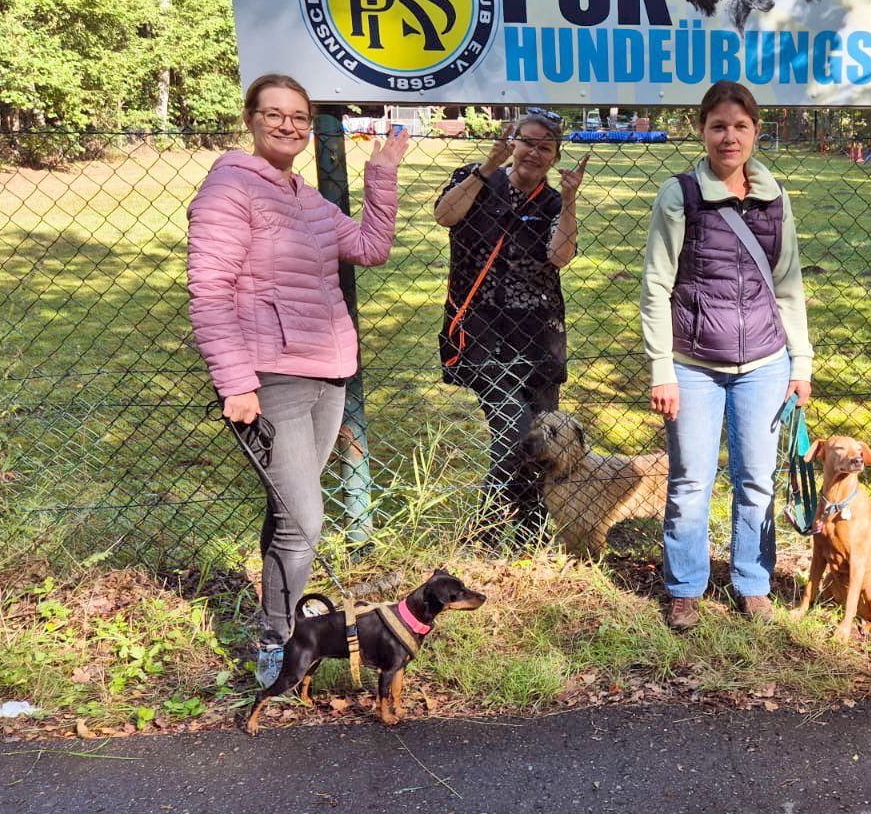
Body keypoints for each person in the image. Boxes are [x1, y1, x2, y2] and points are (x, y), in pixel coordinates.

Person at [187, 73, 408, 686]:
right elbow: (209, 290)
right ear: (250, 119)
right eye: (274, 114)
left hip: (327, 375)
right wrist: (236, 382)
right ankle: (277, 643)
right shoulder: (230, 188)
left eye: (299, 117)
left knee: (289, 515)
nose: (288, 125)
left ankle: (280, 628)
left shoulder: (305, 199)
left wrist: (382, 173)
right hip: (269, 377)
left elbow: (370, 247)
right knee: (305, 519)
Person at [640, 80, 813, 630]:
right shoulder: (679, 195)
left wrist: (801, 363)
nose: (729, 137)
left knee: (756, 479)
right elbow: (655, 285)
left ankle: (753, 583)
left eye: (740, 126)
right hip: (693, 365)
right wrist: (661, 369)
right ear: (702, 131)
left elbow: (789, 286)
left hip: (765, 363)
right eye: (718, 126)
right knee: (691, 482)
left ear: (756, 132)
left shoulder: (776, 198)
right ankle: (685, 587)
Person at [433, 108, 586, 542]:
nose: (533, 153)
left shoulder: (553, 202)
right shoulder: (476, 178)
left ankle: (530, 532)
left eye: (545, 147)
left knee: (542, 439)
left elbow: (560, 256)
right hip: (482, 330)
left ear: (555, 157)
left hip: (539, 334)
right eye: (527, 142)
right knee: (514, 430)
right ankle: (483, 532)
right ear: (512, 143)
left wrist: (570, 200)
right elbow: (445, 216)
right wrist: (487, 166)